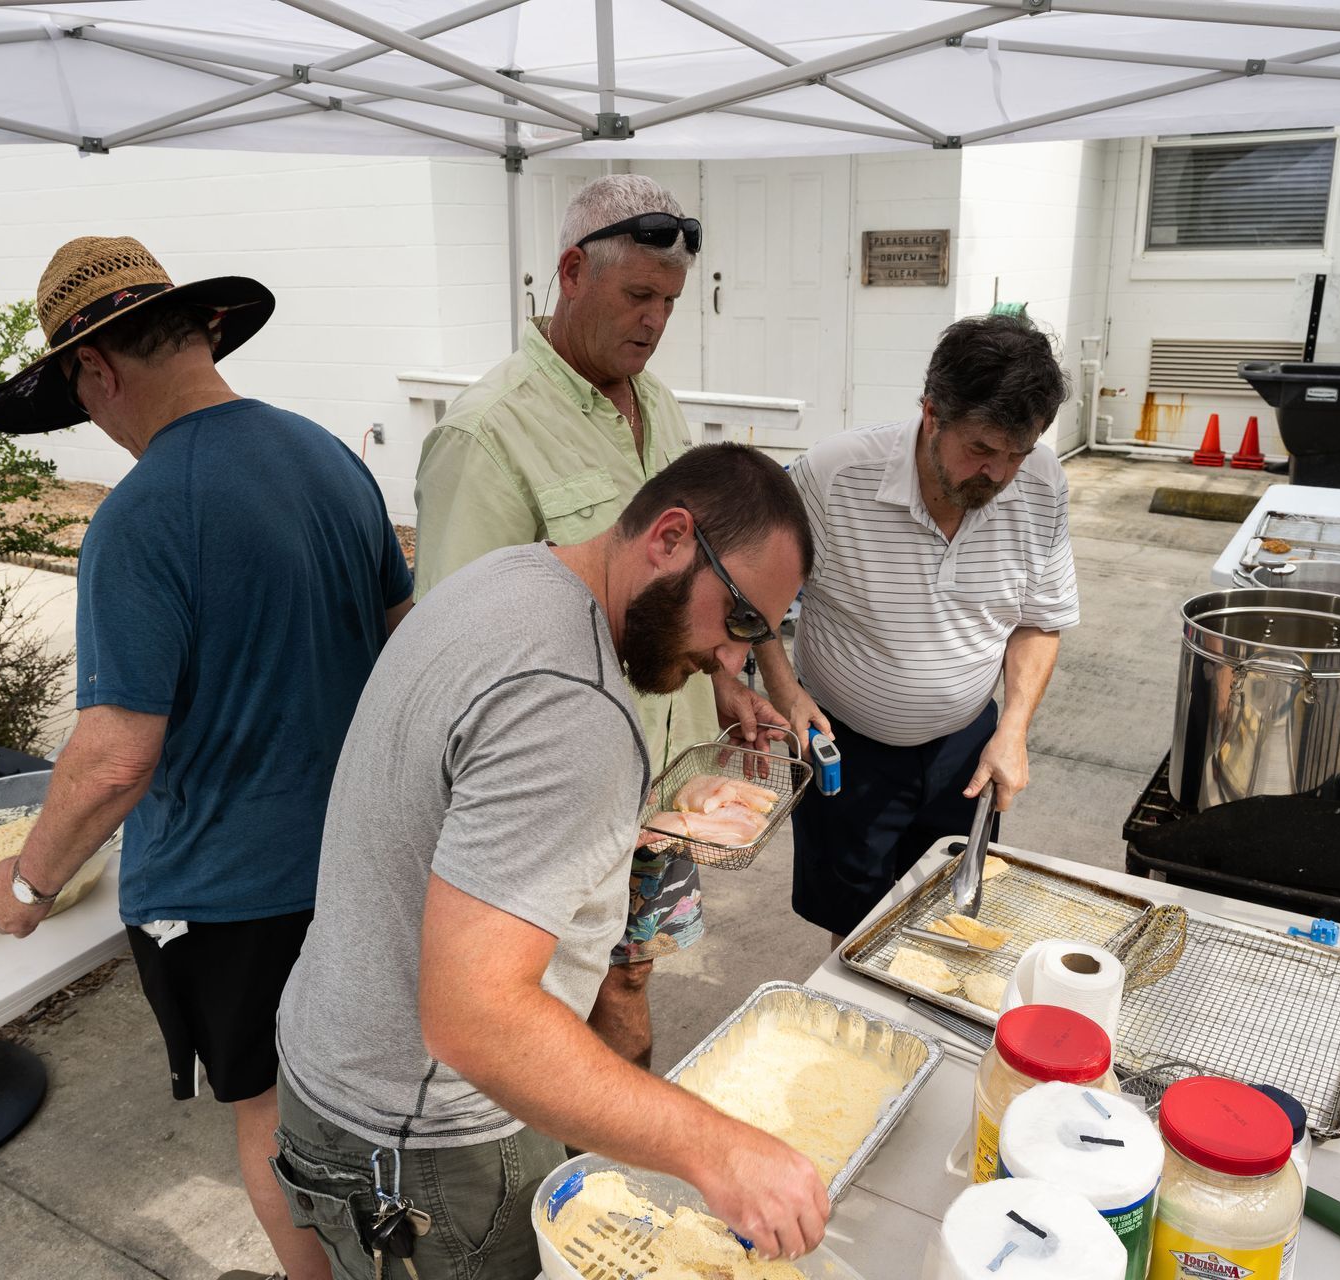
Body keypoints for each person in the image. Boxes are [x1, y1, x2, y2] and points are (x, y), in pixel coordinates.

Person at [272, 444, 827, 1280]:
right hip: (429, 1145)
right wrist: (719, 1151)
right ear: (671, 537)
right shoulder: (575, 708)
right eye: (740, 619)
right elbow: (473, 1018)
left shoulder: (509, 578)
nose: (732, 658)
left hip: (331, 1071)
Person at [0, 236, 411, 1280]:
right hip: (361, 858)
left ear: (98, 370)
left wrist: (28, 878)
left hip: (231, 893)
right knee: (367, 1097)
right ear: (203, 331)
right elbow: (404, 641)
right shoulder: (328, 456)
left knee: (270, 1112)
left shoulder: (139, 516)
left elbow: (117, 755)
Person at [412, 174, 778, 1068]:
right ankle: (578, 1175)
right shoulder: (486, 433)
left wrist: (726, 678)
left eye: (671, 302)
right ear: (572, 272)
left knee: (631, 975)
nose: (656, 322)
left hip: (664, 776)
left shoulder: (656, 404)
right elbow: (459, 657)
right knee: (550, 1002)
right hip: (565, 797)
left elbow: (690, 573)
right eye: (638, 296)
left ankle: (605, 1162)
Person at [755, 315, 1079, 943]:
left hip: (967, 748)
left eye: (1017, 453)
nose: (999, 474)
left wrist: (1013, 730)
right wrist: (785, 691)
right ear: (932, 413)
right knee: (854, 930)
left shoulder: (1042, 484)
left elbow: (1039, 622)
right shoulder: (832, 476)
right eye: (981, 450)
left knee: (950, 914)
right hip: (846, 749)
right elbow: (751, 602)